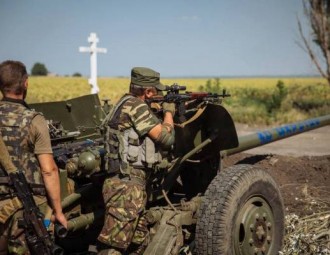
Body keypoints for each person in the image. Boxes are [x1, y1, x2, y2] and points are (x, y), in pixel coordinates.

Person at [97, 67, 176, 255]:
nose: (159, 94)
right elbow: (167, 139)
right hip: (126, 188)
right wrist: (169, 113)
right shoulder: (136, 106)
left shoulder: (124, 102)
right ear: (148, 92)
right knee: (113, 247)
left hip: (128, 185)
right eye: (156, 91)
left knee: (139, 243)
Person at [0, 60, 67, 255]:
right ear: (26, 83)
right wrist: (58, 211)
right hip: (25, 207)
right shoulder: (33, 120)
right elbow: (48, 170)